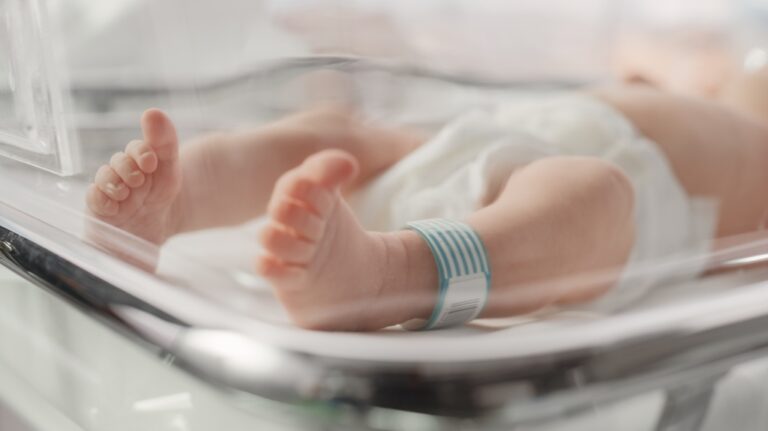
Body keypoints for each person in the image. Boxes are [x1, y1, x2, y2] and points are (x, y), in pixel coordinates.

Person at [86, 67, 768, 331]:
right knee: (340, 137)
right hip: (486, 140)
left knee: (594, 194)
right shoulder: (703, 90)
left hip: (614, 213)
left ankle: (394, 272)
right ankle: (179, 201)